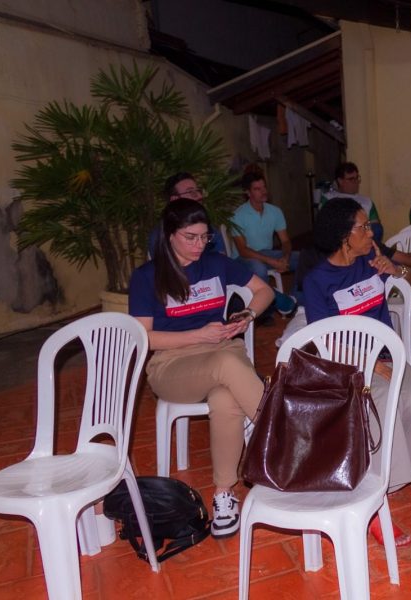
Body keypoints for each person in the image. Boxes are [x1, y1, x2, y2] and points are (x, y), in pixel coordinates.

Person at [129, 199, 274, 539]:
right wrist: (197, 334)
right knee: (227, 365)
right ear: (169, 235)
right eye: (190, 237)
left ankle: (224, 494)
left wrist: (247, 315)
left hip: (223, 351)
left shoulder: (216, 263)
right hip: (172, 365)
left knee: (226, 398)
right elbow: (143, 338)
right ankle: (284, 441)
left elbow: (264, 290)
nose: (198, 246)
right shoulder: (147, 276)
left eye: (204, 238)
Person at [303, 197, 411, 546]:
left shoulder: (370, 263)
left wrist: (395, 270)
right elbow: (324, 337)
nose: (369, 230)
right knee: (381, 399)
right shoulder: (318, 281)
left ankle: (394, 475)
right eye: (363, 226)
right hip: (348, 364)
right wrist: (370, 364)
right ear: (345, 235)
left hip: (387, 356)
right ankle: (376, 503)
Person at [229, 172, 299, 314]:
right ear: (248, 193)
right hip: (243, 258)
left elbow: (285, 241)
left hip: (266, 254)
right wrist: (273, 262)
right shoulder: (238, 215)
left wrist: (285, 257)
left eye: (264, 187)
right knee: (259, 268)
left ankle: (296, 297)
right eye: (257, 189)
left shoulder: (275, 211)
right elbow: (243, 250)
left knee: (303, 258)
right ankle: (270, 309)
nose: (263, 191)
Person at [148, 172, 227, 256]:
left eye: (198, 191)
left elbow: (222, 261)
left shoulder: (209, 229)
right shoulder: (160, 235)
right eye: (190, 192)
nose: (199, 196)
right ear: (175, 199)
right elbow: (164, 267)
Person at [320, 162, 384, 240]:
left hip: (363, 237)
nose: (356, 182)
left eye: (357, 178)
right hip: (339, 239)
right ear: (340, 181)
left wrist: (362, 231)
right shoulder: (329, 198)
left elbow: (374, 225)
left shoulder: (367, 201)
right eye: (351, 179)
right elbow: (325, 224)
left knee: (377, 229)